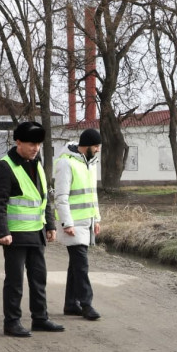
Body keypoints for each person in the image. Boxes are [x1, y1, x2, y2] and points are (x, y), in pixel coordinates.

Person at [0, 121, 64, 337]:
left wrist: (50, 224)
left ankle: (40, 318)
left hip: (37, 232)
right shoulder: (4, 167)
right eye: (32, 144)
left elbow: (43, 198)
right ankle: (11, 322)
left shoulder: (37, 162)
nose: (36, 148)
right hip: (15, 236)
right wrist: (2, 232)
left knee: (39, 278)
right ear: (18, 142)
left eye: (39, 144)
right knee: (14, 282)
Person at [54, 128, 102, 320]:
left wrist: (96, 219)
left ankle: (70, 304)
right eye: (96, 146)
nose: (98, 150)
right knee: (81, 265)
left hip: (86, 223)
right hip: (72, 224)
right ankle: (86, 304)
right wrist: (67, 223)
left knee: (76, 266)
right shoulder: (66, 163)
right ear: (87, 146)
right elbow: (61, 197)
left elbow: (93, 194)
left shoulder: (91, 163)